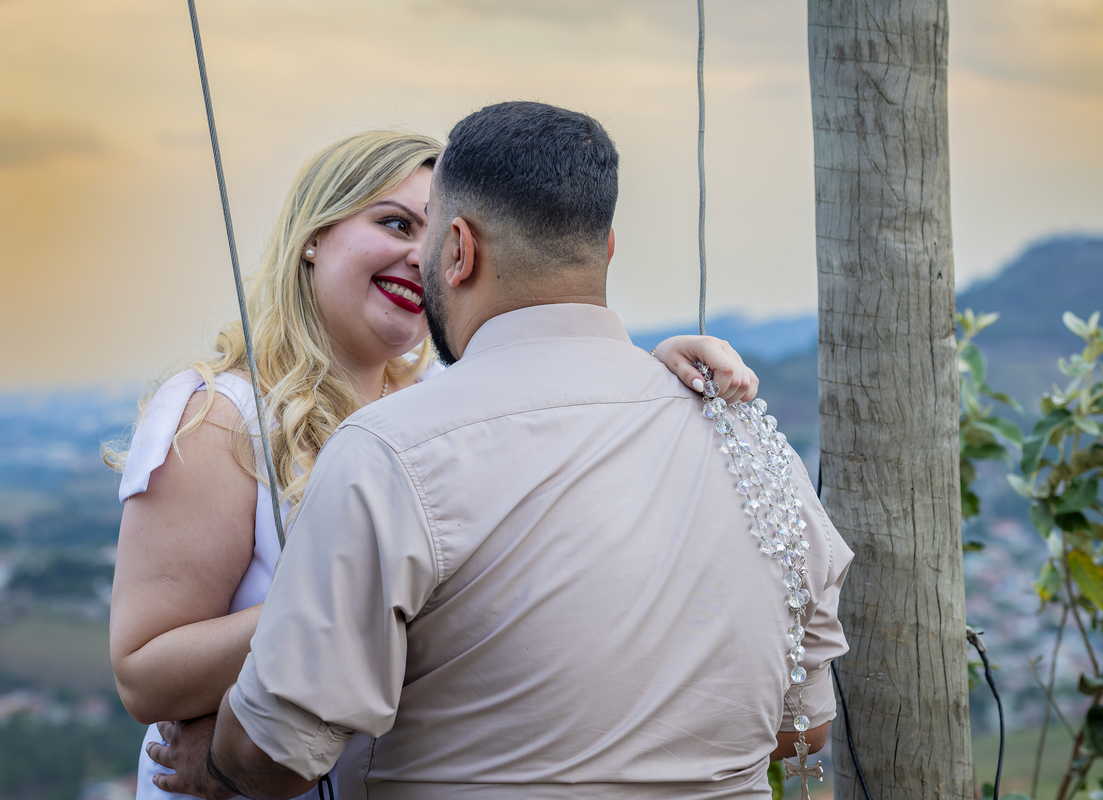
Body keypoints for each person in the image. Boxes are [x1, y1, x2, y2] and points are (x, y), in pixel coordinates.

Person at [148, 101, 852, 799]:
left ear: (459, 250)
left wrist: (216, 759)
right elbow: (802, 733)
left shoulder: (392, 451)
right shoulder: (752, 444)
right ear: (606, 249)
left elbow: (279, 755)